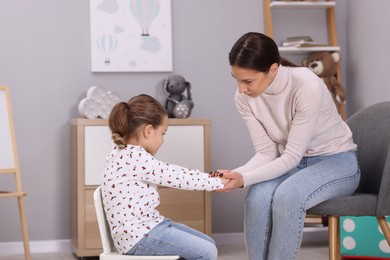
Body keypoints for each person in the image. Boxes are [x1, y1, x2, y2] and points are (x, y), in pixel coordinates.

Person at [217, 32, 361, 260]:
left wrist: (243, 179)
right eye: (235, 78)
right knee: (256, 197)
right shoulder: (243, 97)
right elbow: (266, 152)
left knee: (288, 196)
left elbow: (291, 156)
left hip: (336, 162)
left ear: (273, 70)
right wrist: (238, 174)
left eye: (247, 81)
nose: (241, 88)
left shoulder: (306, 85)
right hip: (292, 165)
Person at [102, 94, 227, 259]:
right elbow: (176, 176)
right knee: (206, 251)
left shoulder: (123, 154)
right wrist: (216, 182)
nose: (162, 140)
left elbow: (175, 173)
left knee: (208, 243)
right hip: (139, 236)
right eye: (163, 133)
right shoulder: (135, 158)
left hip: (149, 227)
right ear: (148, 131)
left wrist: (211, 180)